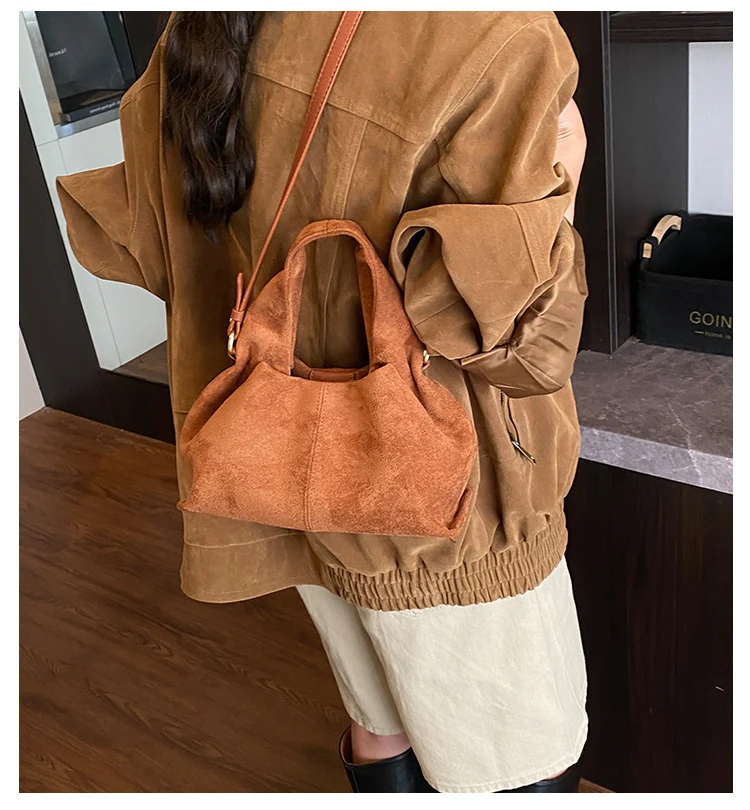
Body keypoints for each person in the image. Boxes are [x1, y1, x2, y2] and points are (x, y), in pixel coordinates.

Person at [57, 11, 589, 793]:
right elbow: (525, 347)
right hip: (447, 511)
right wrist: (567, 162)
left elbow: (150, 241)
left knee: (380, 721)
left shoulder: (204, 23)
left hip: (287, 465)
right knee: (520, 758)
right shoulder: (496, 32)